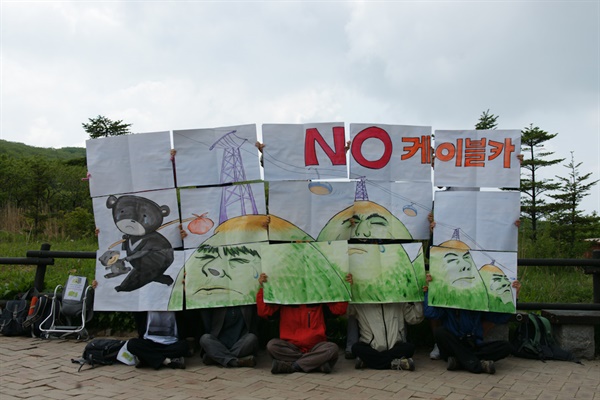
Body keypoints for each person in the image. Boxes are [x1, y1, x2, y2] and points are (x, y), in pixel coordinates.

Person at [423, 273, 521, 374]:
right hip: (453, 345)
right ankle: (477, 364)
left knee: (506, 347)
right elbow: (430, 314)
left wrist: (514, 297)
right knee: (440, 332)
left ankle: (459, 362)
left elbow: (500, 318)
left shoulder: (478, 299)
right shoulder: (447, 297)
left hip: (472, 345)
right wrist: (431, 291)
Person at [256, 272, 352, 374]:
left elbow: (339, 310)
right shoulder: (284, 297)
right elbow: (264, 312)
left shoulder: (319, 296)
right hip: (291, 347)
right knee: (272, 346)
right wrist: (263, 288)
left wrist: (345, 286)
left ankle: (293, 366)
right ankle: (315, 364)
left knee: (332, 349)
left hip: (316, 347)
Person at [350, 300, 423, 371]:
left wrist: (418, 300)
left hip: (395, 345)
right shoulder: (360, 302)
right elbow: (345, 312)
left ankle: (368, 361)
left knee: (409, 348)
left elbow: (415, 318)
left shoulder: (399, 299)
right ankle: (395, 363)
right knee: (356, 348)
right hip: (371, 346)